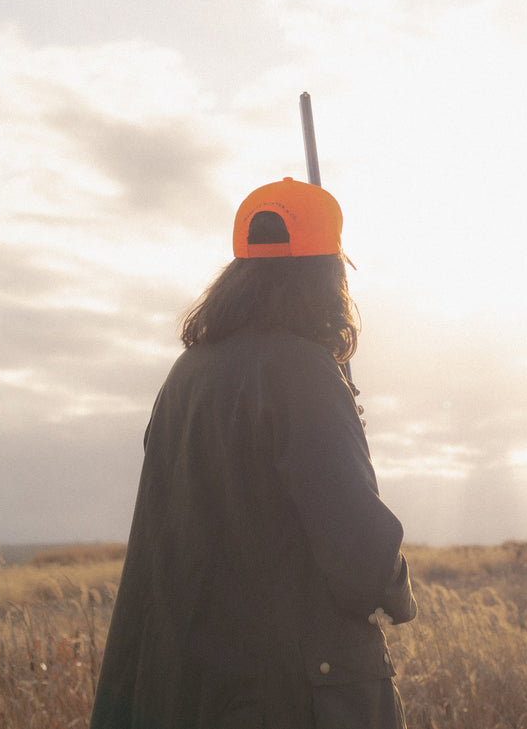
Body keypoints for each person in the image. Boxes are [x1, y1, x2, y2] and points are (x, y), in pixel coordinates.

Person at [90, 178, 417, 729]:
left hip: (190, 690)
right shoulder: (304, 372)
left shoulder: (187, 373)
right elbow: (361, 559)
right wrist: (397, 589)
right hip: (285, 694)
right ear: (327, 275)